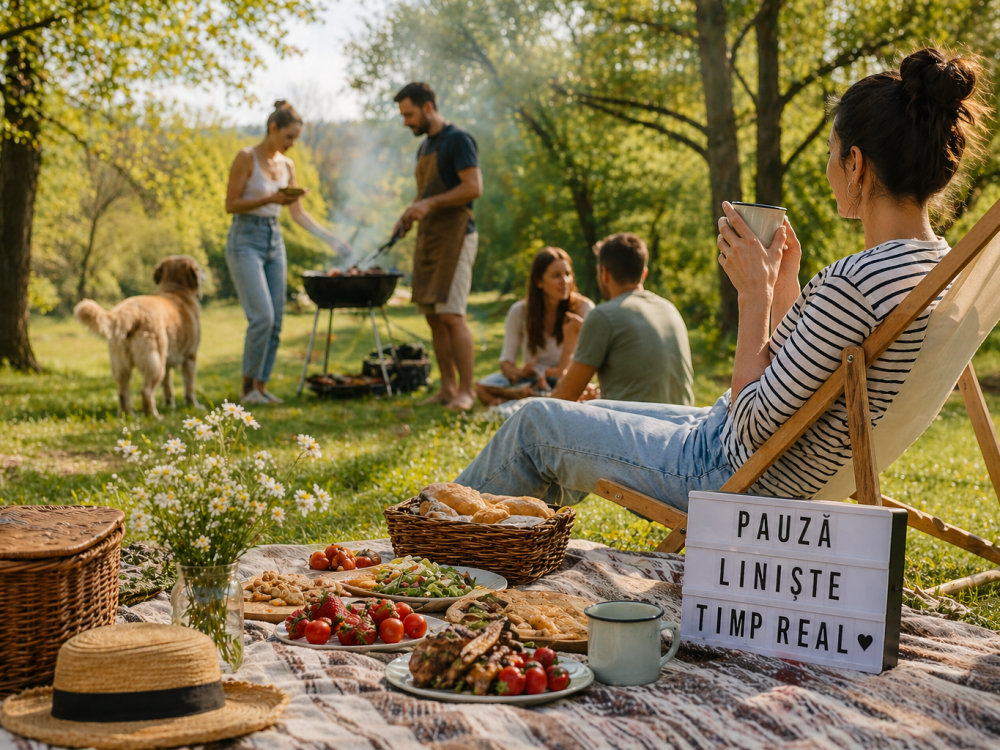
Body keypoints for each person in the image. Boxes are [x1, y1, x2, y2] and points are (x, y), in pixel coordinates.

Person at [455, 47, 987, 509]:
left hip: (730, 474)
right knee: (571, 410)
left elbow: (754, 422)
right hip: (760, 456)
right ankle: (506, 541)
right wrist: (785, 288)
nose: (829, 169)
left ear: (856, 164)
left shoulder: (857, 280)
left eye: (831, 154)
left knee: (533, 426)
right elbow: (808, 382)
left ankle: (428, 547)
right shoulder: (934, 269)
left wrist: (753, 298)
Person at [224, 100, 350, 405]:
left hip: (273, 238)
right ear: (273, 128)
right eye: (289, 137)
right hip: (245, 238)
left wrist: (331, 239)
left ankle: (261, 387)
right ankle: (246, 391)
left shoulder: (287, 165)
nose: (292, 144)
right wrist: (272, 197)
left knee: (277, 319)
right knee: (262, 316)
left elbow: (297, 214)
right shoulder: (247, 157)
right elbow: (231, 204)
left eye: (296, 138)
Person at [392, 82, 483, 411]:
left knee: (451, 315)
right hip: (431, 236)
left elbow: (473, 187)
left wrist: (427, 205)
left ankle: (466, 391)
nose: (406, 122)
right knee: (432, 315)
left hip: (457, 234)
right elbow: (425, 192)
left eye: (409, 114)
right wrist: (409, 213)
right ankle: (446, 387)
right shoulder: (425, 147)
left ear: (428, 107)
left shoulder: (458, 139)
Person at [549, 233, 693, 405]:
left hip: (637, 429)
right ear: (644, 274)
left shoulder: (603, 316)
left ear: (605, 273)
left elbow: (564, 398)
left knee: (535, 412)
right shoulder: (670, 309)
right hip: (685, 426)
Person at [476, 247, 595, 406]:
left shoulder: (584, 309)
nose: (564, 281)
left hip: (567, 380)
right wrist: (518, 373)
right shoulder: (520, 311)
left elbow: (584, 364)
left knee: (587, 394)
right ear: (538, 281)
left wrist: (548, 372)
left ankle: (510, 405)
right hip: (530, 382)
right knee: (482, 387)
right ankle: (524, 402)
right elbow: (506, 362)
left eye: (567, 274)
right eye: (556, 276)